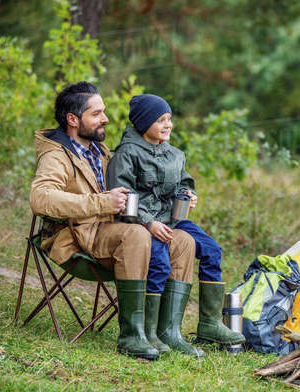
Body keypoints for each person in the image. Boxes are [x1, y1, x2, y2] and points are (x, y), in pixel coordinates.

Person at [29, 82, 196, 361]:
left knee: (183, 241)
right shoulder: (56, 154)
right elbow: (41, 198)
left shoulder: (101, 151)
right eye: (96, 114)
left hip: (109, 230)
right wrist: (103, 202)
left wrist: (180, 195)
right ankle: (132, 335)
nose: (105, 118)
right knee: (136, 236)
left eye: (103, 112)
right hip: (76, 236)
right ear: (73, 119)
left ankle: (165, 331)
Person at [105, 94, 245, 357]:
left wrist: (188, 196)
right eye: (160, 120)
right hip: (143, 224)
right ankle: (151, 333)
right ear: (143, 122)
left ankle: (209, 323)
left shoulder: (175, 154)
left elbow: (183, 183)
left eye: (169, 119)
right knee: (160, 264)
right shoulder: (127, 154)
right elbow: (124, 198)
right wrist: (149, 224)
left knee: (212, 250)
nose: (167, 125)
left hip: (174, 219)